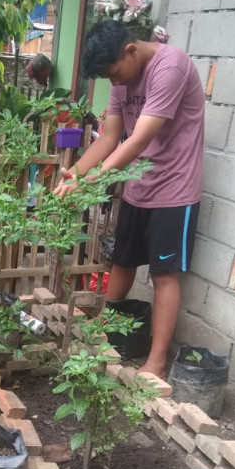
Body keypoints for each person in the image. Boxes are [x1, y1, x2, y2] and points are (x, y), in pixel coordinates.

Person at [55, 19, 204, 380]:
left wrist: (93, 180)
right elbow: (110, 137)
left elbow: (137, 140)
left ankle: (156, 362)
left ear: (131, 50)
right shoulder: (123, 78)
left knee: (164, 274)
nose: (115, 83)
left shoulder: (171, 66)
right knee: (121, 262)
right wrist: (76, 174)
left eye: (114, 73)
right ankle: (102, 336)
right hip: (136, 185)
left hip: (175, 190)